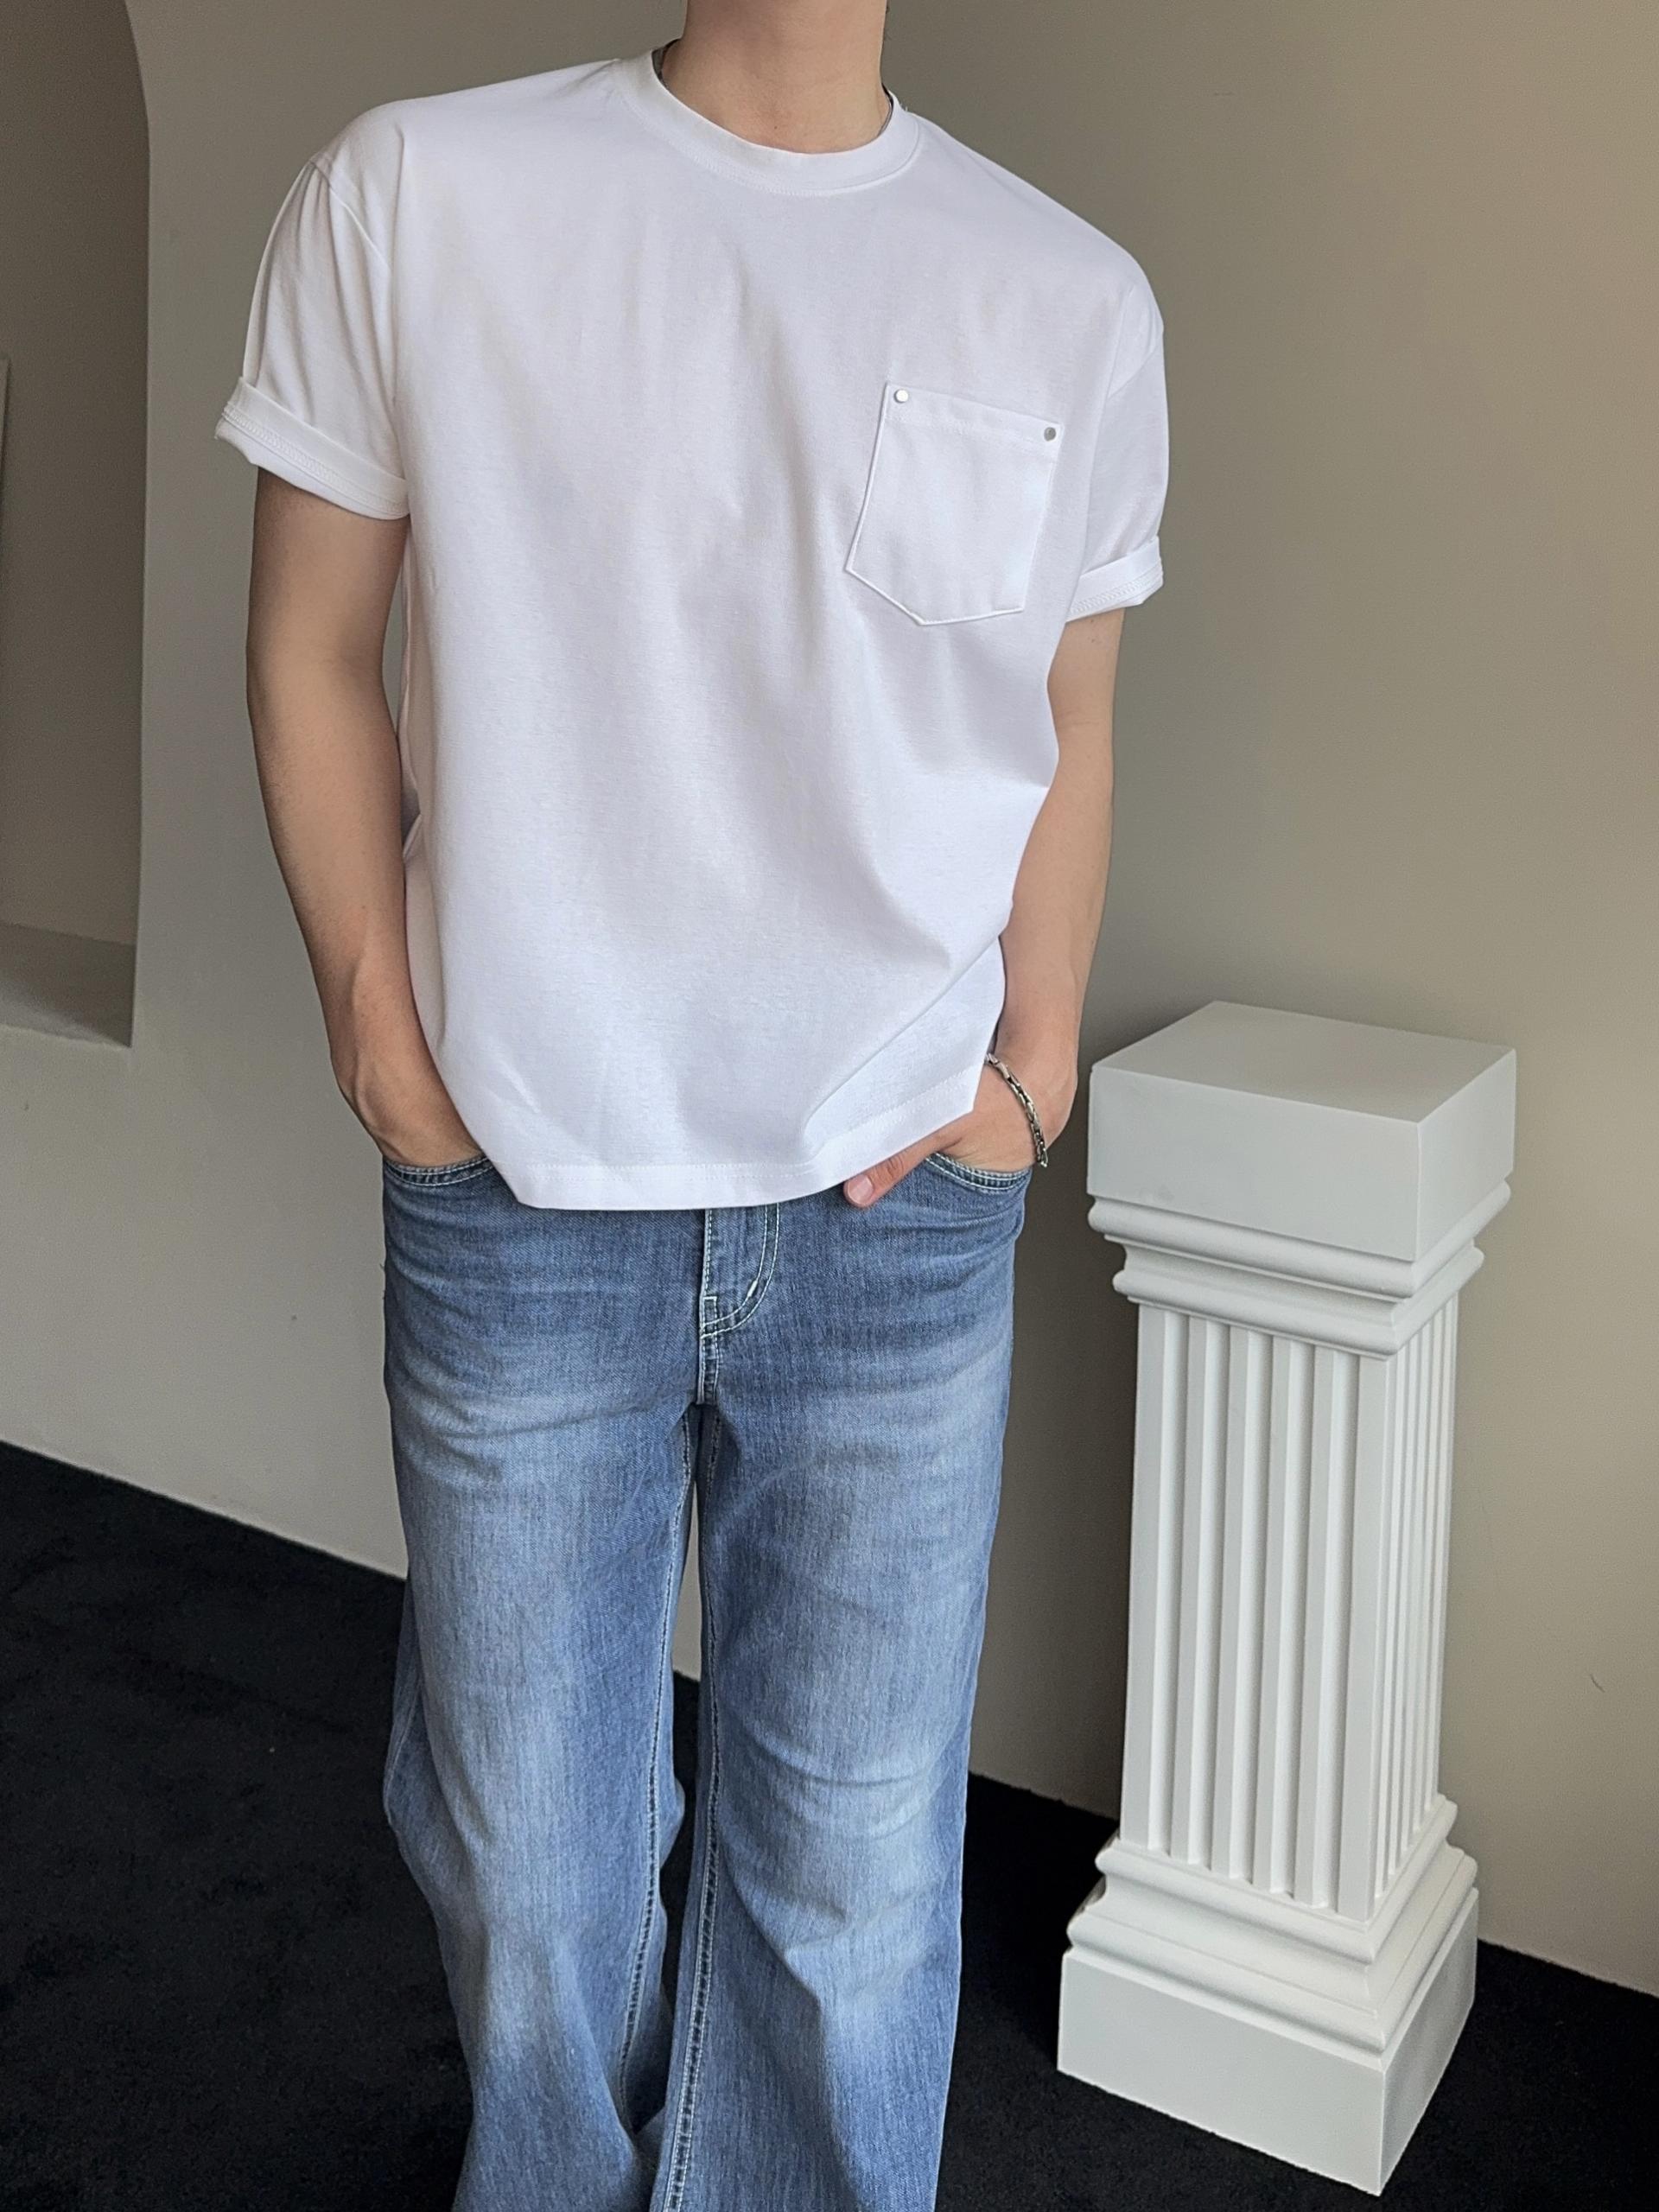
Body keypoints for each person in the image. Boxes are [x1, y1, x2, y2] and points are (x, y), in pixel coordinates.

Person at [216, 3, 1166, 2206]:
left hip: (900, 1209)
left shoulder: (1067, 294)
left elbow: (1070, 718)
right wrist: (379, 1030)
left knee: (855, 1879)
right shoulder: (419, 194)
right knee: (530, 1865)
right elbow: (309, 642)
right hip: (523, 1185)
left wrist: (1033, 1066)